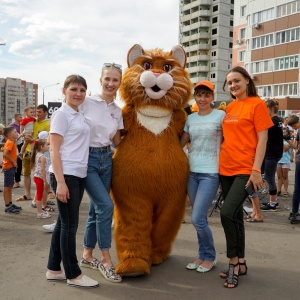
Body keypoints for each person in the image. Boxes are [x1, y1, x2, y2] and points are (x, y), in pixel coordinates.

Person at [219, 66, 273, 288]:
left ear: (247, 81)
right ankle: (241, 261)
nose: (233, 85)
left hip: (245, 169)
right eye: (229, 83)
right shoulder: (230, 107)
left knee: (226, 212)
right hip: (225, 168)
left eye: (236, 81)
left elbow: (262, 140)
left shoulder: (257, 104)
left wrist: (256, 170)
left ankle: (232, 262)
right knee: (236, 217)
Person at [46, 74, 98, 288]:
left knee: (62, 224)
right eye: (74, 89)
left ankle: (53, 269)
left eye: (82, 90)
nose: (78, 94)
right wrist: (61, 182)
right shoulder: (61, 115)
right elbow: (53, 150)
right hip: (65, 175)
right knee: (69, 225)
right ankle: (73, 274)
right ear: (64, 91)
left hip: (78, 174)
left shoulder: (78, 115)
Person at [79, 63, 123, 283]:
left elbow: (117, 141)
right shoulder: (86, 102)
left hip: (108, 159)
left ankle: (87, 255)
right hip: (87, 159)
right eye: (107, 78)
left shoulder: (117, 110)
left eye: (115, 80)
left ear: (120, 83)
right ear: (100, 80)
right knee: (106, 206)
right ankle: (106, 259)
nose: (110, 83)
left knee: (96, 211)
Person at [181, 80, 225, 273]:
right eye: (199, 95)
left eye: (207, 95)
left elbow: (230, 140)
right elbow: (180, 143)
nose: (203, 98)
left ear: (212, 97)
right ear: (195, 97)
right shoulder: (190, 119)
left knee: (198, 218)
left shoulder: (221, 116)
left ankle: (211, 257)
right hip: (192, 172)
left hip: (211, 172)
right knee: (199, 219)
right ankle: (202, 255)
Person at [17, 104, 50, 202]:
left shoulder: (48, 124)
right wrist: (24, 136)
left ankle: (39, 198)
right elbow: (23, 130)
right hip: (26, 151)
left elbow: (47, 141)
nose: (37, 114)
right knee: (26, 173)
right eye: (36, 111)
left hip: (39, 154)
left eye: (40, 112)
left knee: (39, 175)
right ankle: (27, 194)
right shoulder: (32, 121)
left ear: (45, 113)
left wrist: (33, 140)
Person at [261, 100, 283, 212]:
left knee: (269, 178)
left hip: (272, 153)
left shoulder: (271, 121)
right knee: (270, 177)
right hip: (277, 152)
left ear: (269, 108)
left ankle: (273, 203)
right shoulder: (278, 120)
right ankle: (273, 200)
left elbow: (265, 137)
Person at [2, 127, 22, 214]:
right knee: (7, 187)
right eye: (15, 132)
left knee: (10, 186)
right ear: (10, 135)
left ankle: (10, 204)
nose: (17, 133)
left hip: (11, 167)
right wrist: (13, 161)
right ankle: (7, 206)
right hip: (8, 167)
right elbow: (5, 154)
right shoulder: (10, 142)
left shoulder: (11, 142)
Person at [31, 139, 51, 219]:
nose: (48, 146)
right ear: (42, 147)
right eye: (46, 145)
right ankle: (39, 212)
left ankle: (40, 211)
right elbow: (43, 170)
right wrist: (45, 181)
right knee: (39, 195)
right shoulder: (42, 157)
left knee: (39, 194)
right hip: (40, 178)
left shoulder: (38, 155)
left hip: (38, 177)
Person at [287, 115, 300, 220]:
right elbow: (296, 146)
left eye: (295, 126)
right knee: (297, 188)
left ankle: (295, 212)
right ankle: (294, 212)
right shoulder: (298, 131)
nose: (295, 128)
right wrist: (288, 140)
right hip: (299, 161)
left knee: (297, 188)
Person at [9, 113, 23, 188]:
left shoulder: (22, 125)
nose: (21, 118)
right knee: (12, 162)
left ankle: (17, 181)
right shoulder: (11, 126)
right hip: (13, 145)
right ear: (15, 117)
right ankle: (12, 180)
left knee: (19, 163)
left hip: (21, 145)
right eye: (20, 117)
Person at [276, 130, 291, 196]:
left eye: (284, 133)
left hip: (285, 161)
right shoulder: (277, 141)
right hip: (278, 160)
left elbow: (285, 149)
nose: (283, 134)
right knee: (279, 176)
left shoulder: (288, 142)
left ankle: (285, 190)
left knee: (285, 176)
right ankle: (278, 190)